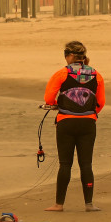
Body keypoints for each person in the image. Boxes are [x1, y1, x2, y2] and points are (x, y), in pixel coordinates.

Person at [43, 41, 105, 211]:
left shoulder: (61, 74)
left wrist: (60, 104)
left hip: (66, 123)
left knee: (65, 164)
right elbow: (100, 103)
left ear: (68, 56)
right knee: (86, 164)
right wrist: (87, 112)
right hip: (88, 123)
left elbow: (48, 99)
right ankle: (89, 204)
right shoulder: (96, 75)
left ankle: (59, 204)